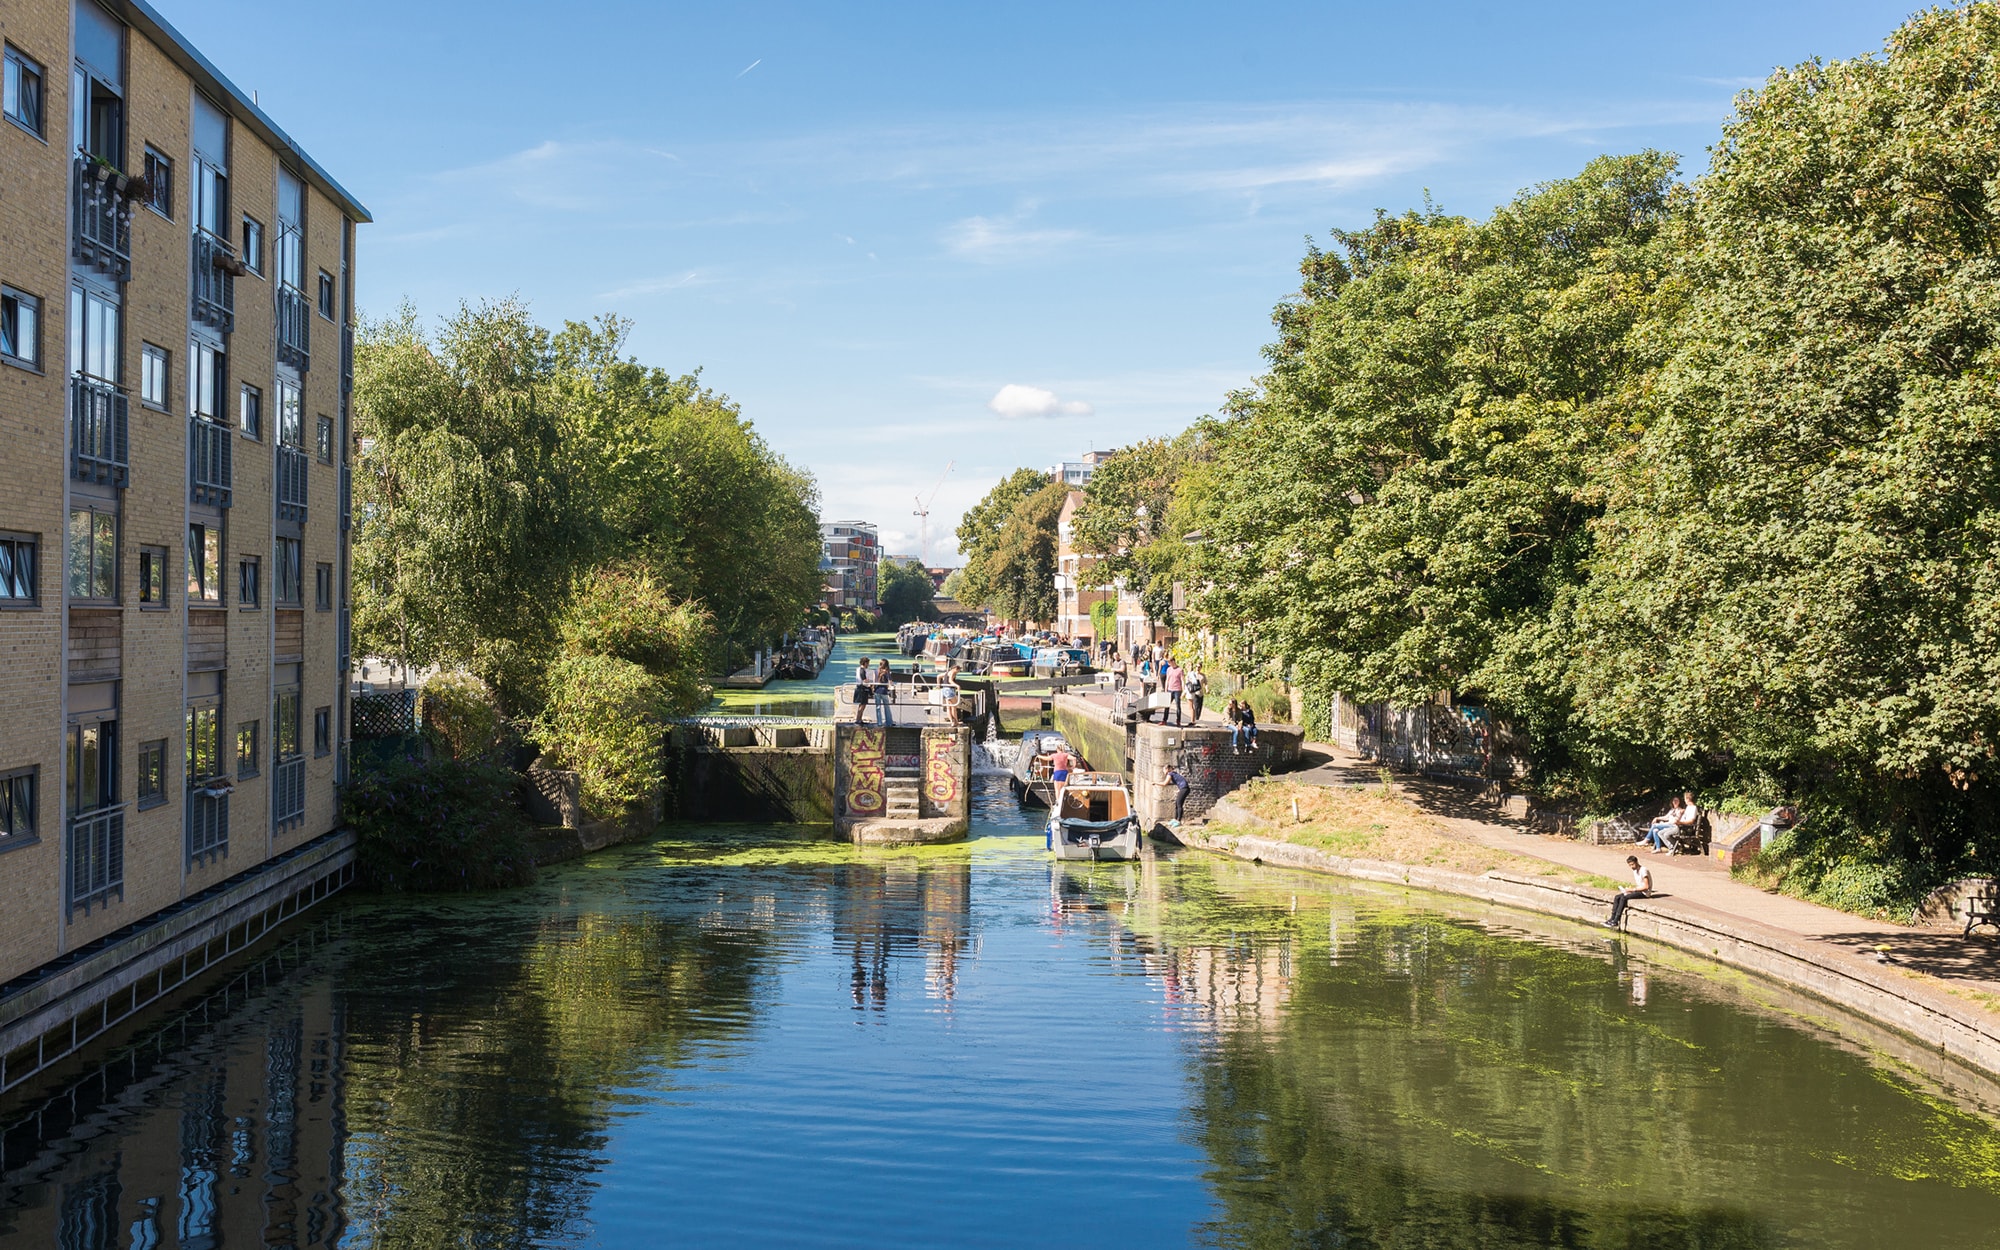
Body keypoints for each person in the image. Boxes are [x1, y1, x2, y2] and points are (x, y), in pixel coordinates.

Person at [1606, 855, 1653, 928]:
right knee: (1617, 897)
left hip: (1645, 893)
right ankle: (1612, 918)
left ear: (1637, 862)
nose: (1632, 867)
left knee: (1624, 898)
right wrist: (1630, 890)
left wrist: (1633, 890)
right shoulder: (1635, 871)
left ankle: (1617, 920)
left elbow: (1646, 886)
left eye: (1633, 864)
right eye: (1630, 865)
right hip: (1638, 890)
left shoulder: (1643, 870)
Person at [852, 657, 874, 723]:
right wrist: (871, 682)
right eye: (868, 663)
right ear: (865, 663)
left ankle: (859, 719)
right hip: (862, 689)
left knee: (862, 705)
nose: (868, 665)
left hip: (860, 688)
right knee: (862, 705)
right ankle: (858, 719)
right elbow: (864, 679)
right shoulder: (862, 670)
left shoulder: (858, 669)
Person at [1163, 659, 1184, 725]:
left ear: (1173, 661)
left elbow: (1182, 680)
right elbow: (1167, 680)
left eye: (1170, 662)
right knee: (1167, 705)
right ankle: (1164, 720)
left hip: (1177, 690)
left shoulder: (1180, 670)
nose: (1169, 664)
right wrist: (1166, 689)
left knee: (1178, 706)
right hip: (1170, 689)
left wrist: (1183, 691)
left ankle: (1178, 720)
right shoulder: (1169, 669)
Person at [872, 658, 893, 725]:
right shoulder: (887, 672)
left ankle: (879, 722)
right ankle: (889, 722)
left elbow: (873, 681)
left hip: (877, 691)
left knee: (878, 707)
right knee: (886, 707)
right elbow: (890, 682)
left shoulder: (876, 671)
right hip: (884, 691)